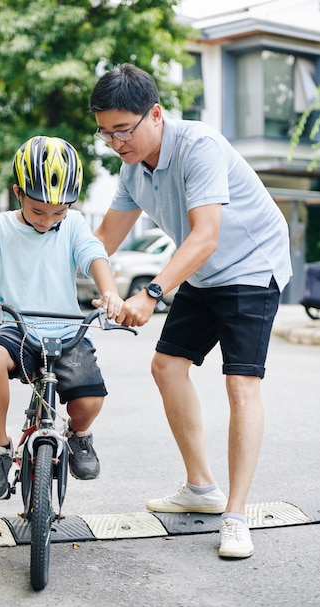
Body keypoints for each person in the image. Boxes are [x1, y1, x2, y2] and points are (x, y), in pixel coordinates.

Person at [89, 63, 292, 559]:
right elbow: (104, 241)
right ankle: (202, 488)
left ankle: (236, 515)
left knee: (240, 385)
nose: (116, 143)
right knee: (166, 366)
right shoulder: (132, 170)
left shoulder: (198, 145)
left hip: (250, 267)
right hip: (203, 272)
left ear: (154, 114)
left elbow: (205, 235)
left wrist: (149, 294)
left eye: (123, 130)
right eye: (105, 133)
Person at [0, 135, 123, 500]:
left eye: (58, 212)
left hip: (66, 330)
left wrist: (109, 290)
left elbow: (94, 255)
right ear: (18, 193)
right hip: (16, 326)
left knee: (89, 403)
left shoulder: (75, 224)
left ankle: (79, 437)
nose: (49, 221)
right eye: (38, 212)